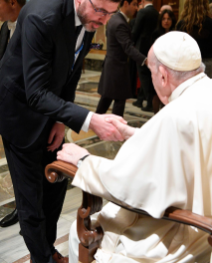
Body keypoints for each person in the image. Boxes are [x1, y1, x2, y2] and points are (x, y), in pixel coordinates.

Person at [0, 0, 125, 263]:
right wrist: (90, 119)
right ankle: (41, 257)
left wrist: (60, 119)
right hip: (19, 111)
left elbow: (71, 72)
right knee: (31, 195)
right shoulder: (42, 17)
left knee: (55, 184)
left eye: (110, 13)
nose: (104, 20)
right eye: (101, 11)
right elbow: (34, 92)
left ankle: (45, 249)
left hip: (49, 111)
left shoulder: (87, 17)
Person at [58, 31, 212, 263]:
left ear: (162, 75)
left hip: (181, 233)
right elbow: (187, 143)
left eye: (150, 72)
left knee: (79, 232)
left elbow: (132, 184)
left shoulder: (172, 116)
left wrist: (84, 162)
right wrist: (136, 133)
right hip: (205, 221)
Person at [0, 0, 26, 228]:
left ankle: (28, 209)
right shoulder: (5, 28)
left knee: (28, 168)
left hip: (25, 114)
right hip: (6, 113)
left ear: (12, 2)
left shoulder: (30, 28)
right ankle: (20, 206)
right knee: (13, 163)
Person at [96, 0, 146, 117]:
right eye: (134, 4)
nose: (137, 8)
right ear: (125, 3)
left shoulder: (115, 19)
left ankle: (96, 122)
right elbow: (128, 47)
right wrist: (145, 60)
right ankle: (115, 130)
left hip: (112, 65)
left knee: (107, 97)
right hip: (117, 68)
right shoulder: (120, 23)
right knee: (119, 99)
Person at [132, 0, 158, 111]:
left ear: (142, 0)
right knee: (147, 74)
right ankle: (140, 100)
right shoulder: (156, 13)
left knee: (143, 75)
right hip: (153, 47)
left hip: (141, 48)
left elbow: (136, 31)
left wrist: (130, 43)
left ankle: (149, 103)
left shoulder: (142, 12)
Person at [176, 0, 212, 78]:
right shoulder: (210, 23)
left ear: (188, 3)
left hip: (188, 63)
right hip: (208, 62)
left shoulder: (182, 24)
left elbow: (178, 47)